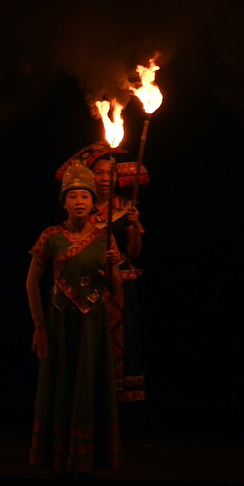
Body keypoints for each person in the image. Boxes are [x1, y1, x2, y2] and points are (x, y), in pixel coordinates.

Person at [26, 163, 122, 473]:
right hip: (58, 324)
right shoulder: (51, 237)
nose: (79, 201)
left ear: (94, 202)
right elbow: (31, 282)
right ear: (63, 202)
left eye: (84, 196)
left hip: (91, 324)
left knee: (88, 385)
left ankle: (89, 457)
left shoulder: (104, 238)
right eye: (72, 196)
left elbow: (115, 286)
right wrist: (39, 326)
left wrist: (112, 265)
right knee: (60, 383)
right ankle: (55, 455)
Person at [57, 142, 148, 402]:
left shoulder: (126, 207)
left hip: (120, 283)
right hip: (87, 284)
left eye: (111, 172)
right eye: (99, 172)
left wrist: (134, 224)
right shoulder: (81, 206)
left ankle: (119, 405)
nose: (105, 178)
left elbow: (134, 252)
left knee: (120, 342)